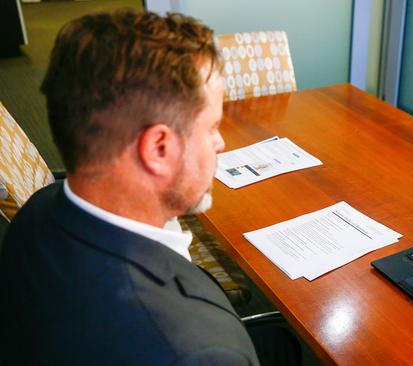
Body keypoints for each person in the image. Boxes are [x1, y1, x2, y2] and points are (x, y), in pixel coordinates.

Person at [0, 10, 300, 365]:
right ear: (158, 148)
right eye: (212, 127)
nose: (220, 143)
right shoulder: (200, 351)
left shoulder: (36, 211)